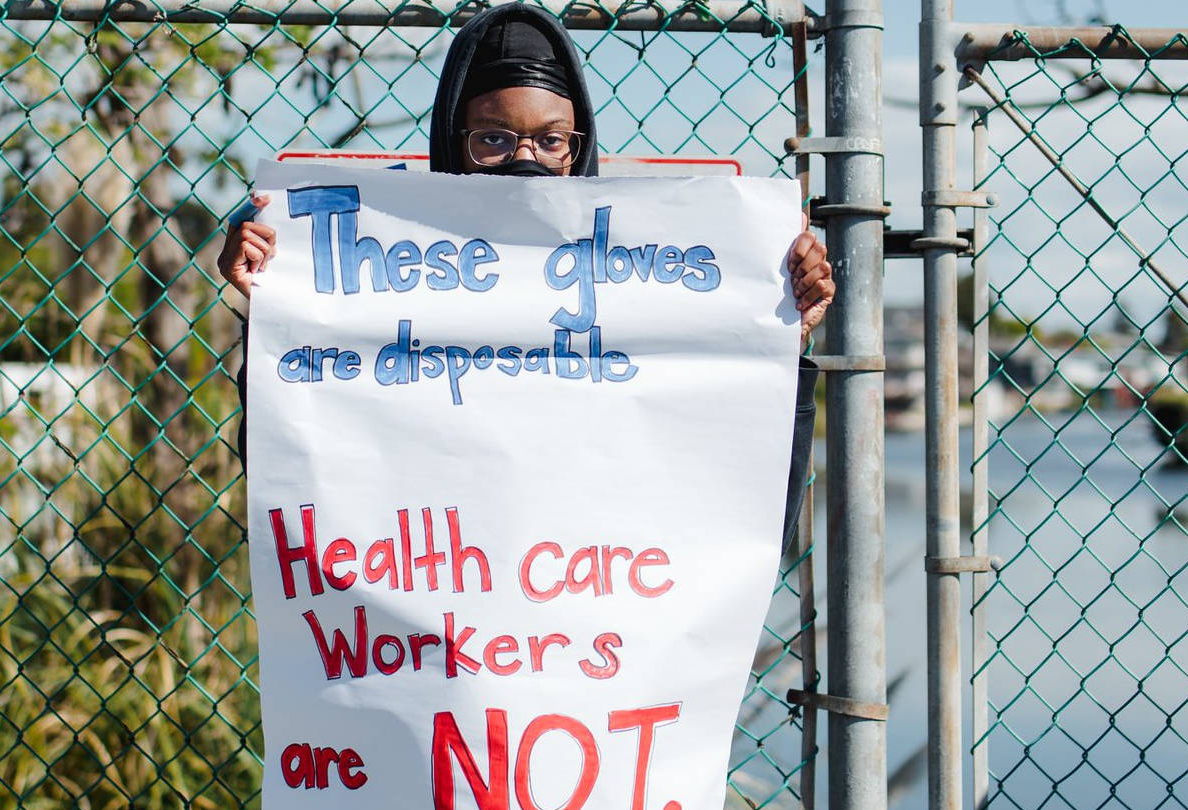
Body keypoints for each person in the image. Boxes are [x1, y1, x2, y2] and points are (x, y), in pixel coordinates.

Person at [218, 2, 832, 550]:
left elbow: (747, 526)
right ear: (450, 142)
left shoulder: (643, 301)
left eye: (551, 141)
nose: (524, 161)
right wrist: (278, 315)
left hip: (606, 633)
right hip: (416, 647)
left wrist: (777, 337)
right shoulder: (380, 300)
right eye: (492, 138)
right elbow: (298, 507)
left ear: (579, 147)